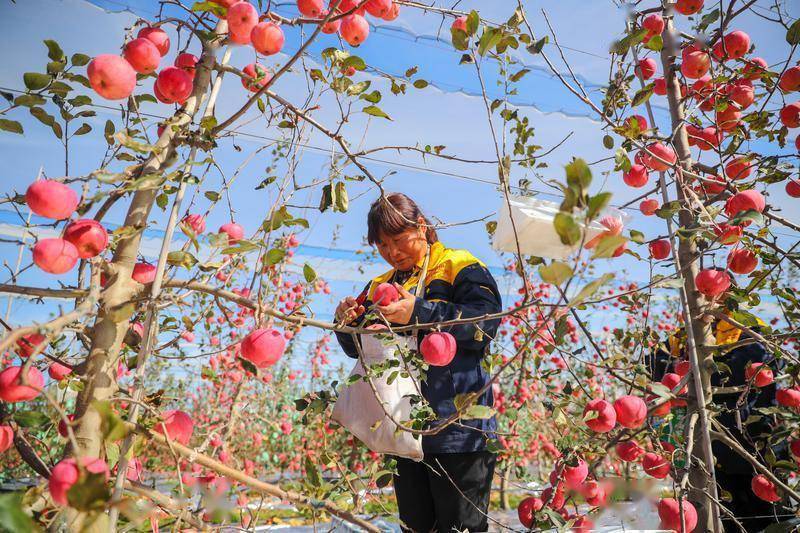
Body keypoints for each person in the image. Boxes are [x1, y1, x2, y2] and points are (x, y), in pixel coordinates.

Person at [334, 192, 503, 533]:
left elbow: (486, 323)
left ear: (421, 227)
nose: (392, 252)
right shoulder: (380, 285)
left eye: (398, 240)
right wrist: (346, 324)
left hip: (457, 430)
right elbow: (359, 351)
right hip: (404, 430)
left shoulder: (458, 265)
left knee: (462, 529)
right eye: (382, 245)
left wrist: (421, 313)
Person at [647, 314, 790, 532]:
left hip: (756, 446)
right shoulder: (684, 336)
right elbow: (654, 366)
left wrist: (693, 367)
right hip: (712, 449)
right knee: (726, 518)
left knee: (771, 518)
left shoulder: (750, 328)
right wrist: (685, 364)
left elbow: (752, 369)